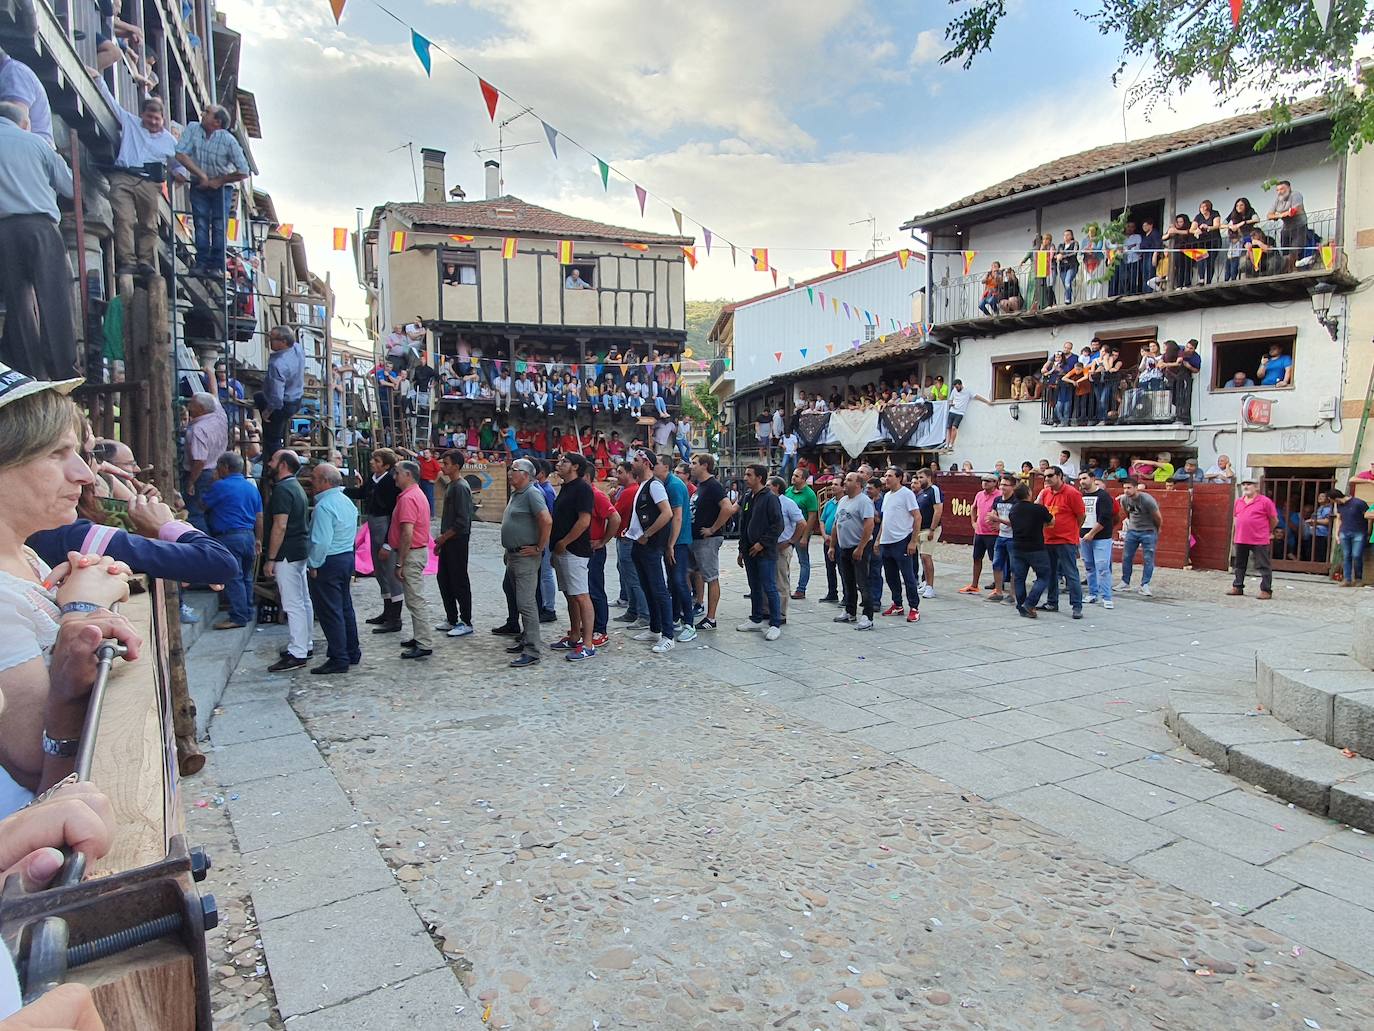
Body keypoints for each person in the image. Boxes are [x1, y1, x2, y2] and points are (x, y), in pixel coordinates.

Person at [0, 101, 76, 381]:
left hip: (3, 228)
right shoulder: (36, 143)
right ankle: (62, 368)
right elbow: (70, 187)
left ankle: (30, 371)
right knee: (54, 293)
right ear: (24, 122)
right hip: (39, 225)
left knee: (18, 300)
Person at [87, 69, 176, 277]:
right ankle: (127, 261)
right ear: (142, 115)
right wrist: (99, 79)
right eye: (149, 117)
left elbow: (179, 164)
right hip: (124, 177)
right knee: (124, 219)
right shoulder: (130, 122)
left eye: (157, 119)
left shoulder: (169, 141)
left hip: (148, 183)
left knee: (148, 224)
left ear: (162, 119)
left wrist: (179, 178)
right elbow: (110, 102)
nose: (153, 122)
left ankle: (145, 261)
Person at [174, 104, 250, 277]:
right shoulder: (193, 128)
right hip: (199, 183)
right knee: (200, 223)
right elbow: (180, 153)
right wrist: (201, 176)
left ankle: (217, 266)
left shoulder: (229, 140)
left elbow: (243, 170)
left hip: (222, 187)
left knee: (218, 225)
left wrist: (219, 181)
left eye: (207, 113)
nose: (202, 114)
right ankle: (201, 263)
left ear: (217, 122)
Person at [304, 463, 361, 675]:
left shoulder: (324, 506)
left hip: (330, 560)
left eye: (316, 478)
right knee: (344, 607)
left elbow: (321, 542)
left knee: (331, 611)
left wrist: (314, 564)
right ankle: (351, 650)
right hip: (345, 557)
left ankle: (339, 656)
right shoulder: (346, 502)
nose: (312, 481)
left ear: (326, 482)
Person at [200, 452, 262, 630]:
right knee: (246, 577)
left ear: (225, 467)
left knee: (234, 577)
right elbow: (259, 516)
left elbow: (203, 505)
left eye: (218, 467)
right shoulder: (251, 487)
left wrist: (212, 483)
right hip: (248, 535)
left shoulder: (220, 486)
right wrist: (258, 538)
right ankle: (247, 611)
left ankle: (239, 616)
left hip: (229, 536)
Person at [263, 451, 313, 671]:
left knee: (293, 603)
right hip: (298, 550)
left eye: (273, 460)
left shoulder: (283, 490)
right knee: (302, 600)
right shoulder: (295, 487)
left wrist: (271, 558)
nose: (269, 463)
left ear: (282, 465)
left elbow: (280, 525)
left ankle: (298, 651)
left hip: (286, 553)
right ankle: (305, 644)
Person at [500, 458, 551, 668]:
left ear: (526, 475)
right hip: (514, 554)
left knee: (526, 603)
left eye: (515, 469)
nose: (510, 472)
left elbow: (546, 520)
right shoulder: (517, 493)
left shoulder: (532, 493)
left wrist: (539, 547)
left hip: (526, 556)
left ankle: (532, 650)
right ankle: (525, 639)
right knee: (515, 595)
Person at [346, 449, 403, 630]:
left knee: (391, 573)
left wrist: (388, 542)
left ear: (386, 465)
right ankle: (387, 612)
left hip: (385, 525)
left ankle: (395, 618)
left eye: (376, 460)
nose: (372, 462)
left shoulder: (391, 482)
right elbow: (363, 493)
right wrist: (343, 490)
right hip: (374, 525)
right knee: (379, 571)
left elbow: (394, 514)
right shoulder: (374, 478)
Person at [549, 452, 597, 661]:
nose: (559, 464)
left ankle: (588, 643)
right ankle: (574, 634)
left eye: (564, 461)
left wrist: (565, 542)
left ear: (575, 467)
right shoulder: (565, 488)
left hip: (575, 550)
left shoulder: (582, 489)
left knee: (581, 595)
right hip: (562, 550)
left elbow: (584, 521)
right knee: (570, 594)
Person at [627, 449, 676, 654]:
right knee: (647, 587)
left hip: (651, 545)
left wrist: (647, 534)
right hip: (639, 544)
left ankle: (668, 635)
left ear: (646, 463)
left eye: (636, 460)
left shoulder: (655, 485)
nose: (632, 463)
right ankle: (655, 628)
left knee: (658, 589)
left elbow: (667, 513)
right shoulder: (643, 485)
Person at [385, 461, 433, 659]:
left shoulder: (408, 498)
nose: (394, 477)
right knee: (413, 598)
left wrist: (400, 562)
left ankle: (424, 642)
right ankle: (419, 637)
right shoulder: (415, 494)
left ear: (407, 474)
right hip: (414, 551)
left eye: (396, 473)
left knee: (415, 599)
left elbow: (407, 532)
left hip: (412, 553)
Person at [736, 464, 783, 640]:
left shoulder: (770, 498)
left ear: (759, 478)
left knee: (769, 587)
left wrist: (762, 544)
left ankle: (775, 623)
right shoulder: (748, 497)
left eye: (749, 475)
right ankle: (756, 618)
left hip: (765, 552)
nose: (745, 478)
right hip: (749, 551)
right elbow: (744, 524)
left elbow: (777, 525)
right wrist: (742, 549)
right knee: (754, 586)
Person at [689, 454, 733, 631]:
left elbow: (728, 508)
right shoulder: (701, 486)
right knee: (696, 573)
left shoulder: (714, 486)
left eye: (694, 463)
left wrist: (713, 529)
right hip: (696, 539)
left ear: (705, 466)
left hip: (707, 540)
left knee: (711, 577)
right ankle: (698, 605)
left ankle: (711, 617)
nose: (691, 466)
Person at [433, 450, 475, 638]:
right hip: (448, 539)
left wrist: (444, 537)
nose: (443, 466)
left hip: (457, 540)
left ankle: (465, 620)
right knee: (444, 579)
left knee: (459, 581)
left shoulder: (460, 487)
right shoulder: (451, 485)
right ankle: (451, 617)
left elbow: (462, 521)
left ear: (456, 466)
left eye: (447, 463)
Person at [828, 471, 876, 629]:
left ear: (858, 484)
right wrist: (832, 546)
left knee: (862, 582)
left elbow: (869, 525)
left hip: (859, 547)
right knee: (847, 580)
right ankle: (850, 611)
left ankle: (867, 616)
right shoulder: (843, 500)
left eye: (849, 480)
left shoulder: (864, 501)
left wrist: (861, 547)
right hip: (844, 547)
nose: (845, 483)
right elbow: (837, 524)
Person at [658, 455, 695, 640]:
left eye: (656, 463)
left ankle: (689, 623)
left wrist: (671, 544)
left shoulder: (673, 485)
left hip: (679, 541)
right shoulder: (668, 484)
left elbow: (677, 517)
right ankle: (675, 618)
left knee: (679, 581)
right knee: (673, 581)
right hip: (675, 541)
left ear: (665, 466)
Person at [877, 466, 921, 622]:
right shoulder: (887, 495)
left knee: (908, 576)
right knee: (891, 576)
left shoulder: (907, 494)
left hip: (901, 540)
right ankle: (897, 604)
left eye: (890, 475)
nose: (886, 478)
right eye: (885, 475)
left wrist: (913, 541)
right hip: (886, 542)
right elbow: (885, 520)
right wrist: (878, 540)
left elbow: (917, 517)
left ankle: (914, 607)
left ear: (899, 478)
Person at [181, 392, 228, 533]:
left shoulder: (198, 429)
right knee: (210, 509)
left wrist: (191, 482)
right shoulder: (220, 416)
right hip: (217, 470)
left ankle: (201, 544)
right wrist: (210, 373)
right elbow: (215, 396)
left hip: (201, 473)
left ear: (201, 408)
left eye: (192, 404)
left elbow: (200, 460)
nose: (188, 405)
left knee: (195, 513)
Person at [1007, 482, 1054, 617]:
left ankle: (1021, 604)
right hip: (1036, 547)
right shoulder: (1038, 509)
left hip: (1017, 546)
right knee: (1044, 576)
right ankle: (1029, 603)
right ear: (1029, 494)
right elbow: (1051, 522)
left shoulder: (1013, 510)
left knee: (1019, 578)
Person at [610, 462, 648, 628]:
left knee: (632, 577)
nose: (617, 475)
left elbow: (614, 514)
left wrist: (609, 500)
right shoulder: (631, 490)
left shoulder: (629, 492)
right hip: (626, 537)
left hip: (626, 538)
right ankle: (633, 610)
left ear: (629, 474)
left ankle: (644, 614)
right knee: (628, 575)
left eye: (620, 472)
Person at [585, 472, 619, 649]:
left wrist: (604, 540)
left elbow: (615, 518)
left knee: (595, 588)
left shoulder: (597, 496)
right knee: (583, 591)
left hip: (594, 550)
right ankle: (588, 626)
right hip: (580, 550)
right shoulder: (581, 494)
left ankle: (600, 628)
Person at [1229, 479, 1278, 598]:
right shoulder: (1239, 501)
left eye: (1249, 484)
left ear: (1256, 487)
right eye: (1244, 484)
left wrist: (1268, 531)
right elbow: (1236, 519)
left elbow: (1274, 519)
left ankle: (1266, 590)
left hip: (1259, 538)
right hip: (1241, 537)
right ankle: (1238, 586)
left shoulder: (1265, 501)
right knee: (1239, 564)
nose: (1246, 487)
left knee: (1263, 565)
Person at [261, 327, 304, 460]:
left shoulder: (278, 364)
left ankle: (276, 464)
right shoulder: (297, 348)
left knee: (272, 438)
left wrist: (267, 412)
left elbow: (276, 398)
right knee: (258, 396)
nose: (269, 341)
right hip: (296, 398)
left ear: (283, 342)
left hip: (283, 404)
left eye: (272, 338)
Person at [1077, 471, 1116, 609]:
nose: (1082, 481)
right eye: (1080, 479)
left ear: (1092, 479)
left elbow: (1105, 518)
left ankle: (1106, 597)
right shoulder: (1080, 495)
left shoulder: (1103, 496)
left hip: (1101, 537)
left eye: (1085, 478)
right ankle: (1093, 593)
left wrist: (1092, 533)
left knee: (1102, 567)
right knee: (1089, 566)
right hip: (1084, 535)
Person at [768, 476, 804, 622]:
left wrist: (791, 541)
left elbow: (801, 523)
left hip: (782, 545)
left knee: (781, 580)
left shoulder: (788, 503)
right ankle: (768, 610)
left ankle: (781, 613)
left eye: (769, 485)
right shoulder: (767, 501)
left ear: (776, 487)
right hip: (768, 546)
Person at [1118, 478, 1161, 597]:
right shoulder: (1124, 499)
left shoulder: (1147, 499)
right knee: (1126, 557)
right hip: (1133, 530)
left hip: (1148, 530)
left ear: (1136, 488)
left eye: (1129, 488)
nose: (1126, 490)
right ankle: (1125, 582)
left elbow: (1157, 517)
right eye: (1124, 488)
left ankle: (1145, 584)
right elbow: (1127, 513)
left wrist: (1155, 529)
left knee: (1148, 558)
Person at [962, 474, 1000, 595]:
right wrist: (973, 522)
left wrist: (999, 525)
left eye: (988, 481)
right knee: (976, 558)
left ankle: (998, 586)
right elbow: (973, 508)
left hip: (993, 533)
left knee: (995, 560)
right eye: (983, 480)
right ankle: (974, 584)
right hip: (980, 531)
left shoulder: (999, 495)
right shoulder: (979, 494)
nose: (984, 483)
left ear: (995, 483)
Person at [784, 468, 818, 600]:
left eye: (797, 476)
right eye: (793, 475)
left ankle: (801, 589)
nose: (793, 478)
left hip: (801, 531)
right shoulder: (788, 491)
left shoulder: (809, 494)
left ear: (804, 479)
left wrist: (805, 536)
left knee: (803, 560)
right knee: (784, 559)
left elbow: (812, 516)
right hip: (787, 532)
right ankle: (785, 587)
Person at [912, 468, 942, 598]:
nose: (919, 480)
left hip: (929, 528)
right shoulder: (921, 493)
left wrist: (932, 528)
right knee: (922, 557)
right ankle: (925, 582)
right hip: (920, 528)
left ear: (929, 477)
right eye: (918, 478)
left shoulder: (934, 490)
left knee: (926, 556)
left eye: (921, 477)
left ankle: (930, 586)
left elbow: (938, 510)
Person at [1266, 180, 1307, 272]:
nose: (1279, 192)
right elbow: (1269, 215)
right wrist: (1281, 215)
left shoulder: (1295, 195)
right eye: (1277, 190)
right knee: (1285, 250)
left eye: (1282, 189)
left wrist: (1279, 215)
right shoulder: (1278, 200)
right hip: (1286, 228)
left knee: (1295, 249)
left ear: (1288, 188)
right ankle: (1287, 270)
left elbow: (1295, 210)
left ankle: (1294, 269)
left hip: (1299, 226)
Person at [1333, 486, 1369, 587]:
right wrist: (1337, 534)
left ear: (1336, 498)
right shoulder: (1339, 506)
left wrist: (1368, 531)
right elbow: (1339, 519)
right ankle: (1347, 579)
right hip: (1344, 532)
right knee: (1346, 556)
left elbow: (1368, 516)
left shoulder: (1358, 503)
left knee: (1357, 555)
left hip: (1359, 532)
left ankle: (1358, 578)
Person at [817, 486, 840, 603]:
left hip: (840, 541)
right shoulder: (829, 503)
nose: (833, 487)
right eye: (833, 484)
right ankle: (832, 593)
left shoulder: (845, 503)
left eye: (837, 484)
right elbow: (822, 520)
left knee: (843, 569)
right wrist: (824, 535)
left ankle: (847, 596)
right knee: (829, 568)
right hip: (827, 540)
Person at [945, 379, 971, 451]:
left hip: (960, 412)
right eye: (955, 387)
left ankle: (951, 444)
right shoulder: (954, 390)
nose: (956, 389)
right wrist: (951, 404)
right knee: (948, 428)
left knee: (954, 427)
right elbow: (950, 399)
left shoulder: (967, 391)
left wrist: (987, 402)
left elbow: (976, 396)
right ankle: (947, 443)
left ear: (960, 385)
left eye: (957, 387)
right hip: (952, 410)